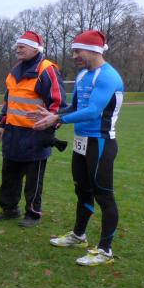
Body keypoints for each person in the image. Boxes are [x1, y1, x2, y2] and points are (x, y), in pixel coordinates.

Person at [31, 30, 124, 266]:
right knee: (82, 190)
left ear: (93, 50)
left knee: (103, 195)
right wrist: (54, 115)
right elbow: (74, 107)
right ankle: (79, 236)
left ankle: (105, 251)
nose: (74, 56)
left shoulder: (108, 76)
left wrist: (58, 119)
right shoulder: (83, 75)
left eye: (78, 51)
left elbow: (93, 111)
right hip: (81, 142)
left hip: (100, 142)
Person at [0, 31, 65, 227]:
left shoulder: (47, 70)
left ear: (35, 48)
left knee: (34, 179)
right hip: (12, 133)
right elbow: (9, 101)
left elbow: (58, 103)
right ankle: (9, 209)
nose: (18, 49)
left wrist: (51, 124)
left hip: (35, 134)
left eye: (22, 46)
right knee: (9, 175)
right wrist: (2, 124)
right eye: (17, 46)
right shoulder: (14, 71)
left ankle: (33, 214)